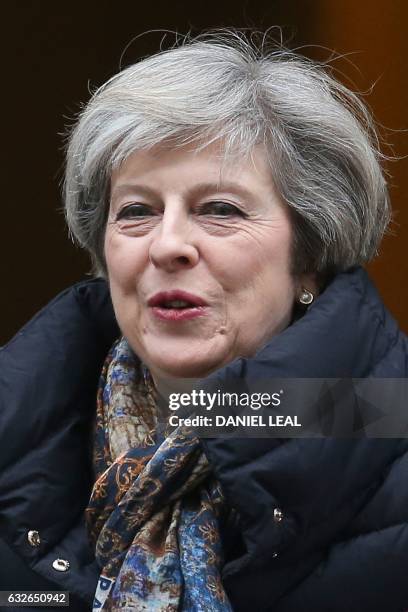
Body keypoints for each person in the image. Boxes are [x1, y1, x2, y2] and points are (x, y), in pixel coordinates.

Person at [1, 31, 407, 612]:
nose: (168, 245)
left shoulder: (388, 428)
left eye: (220, 210)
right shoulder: (19, 445)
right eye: (136, 211)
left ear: (309, 258)